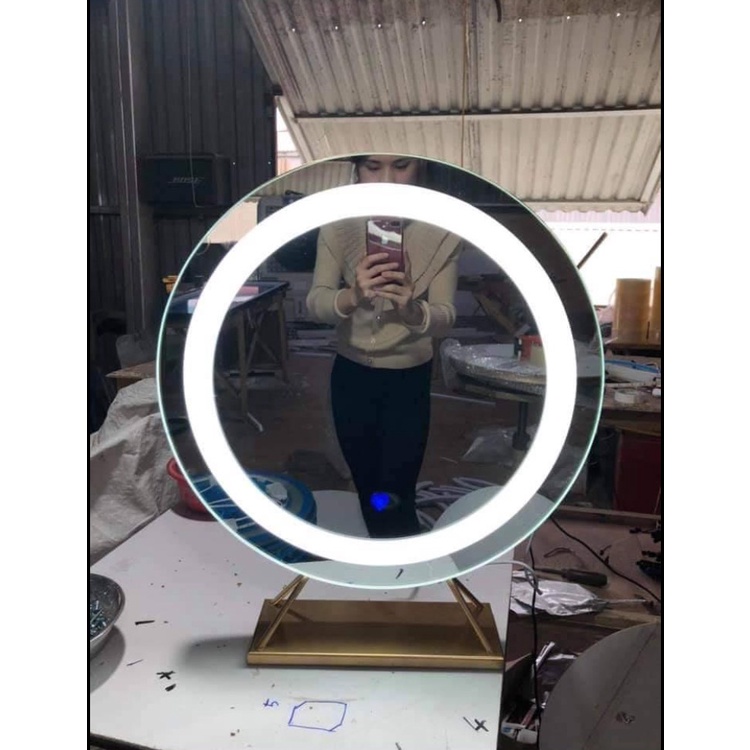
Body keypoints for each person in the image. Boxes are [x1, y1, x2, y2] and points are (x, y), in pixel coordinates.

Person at [306, 155, 463, 538]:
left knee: (396, 488)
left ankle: (398, 550)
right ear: (357, 170)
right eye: (373, 167)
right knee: (367, 484)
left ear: (420, 167)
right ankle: (385, 550)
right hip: (351, 375)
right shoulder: (337, 224)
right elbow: (315, 302)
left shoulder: (443, 229)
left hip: (408, 379)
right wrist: (353, 295)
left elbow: (446, 315)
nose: (387, 179)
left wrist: (412, 310)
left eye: (401, 165)